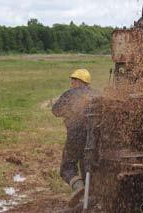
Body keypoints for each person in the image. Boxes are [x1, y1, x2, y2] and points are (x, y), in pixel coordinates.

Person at [52, 69, 94, 208]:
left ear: (79, 81)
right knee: (87, 166)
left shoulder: (70, 94)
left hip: (76, 135)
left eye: (73, 80)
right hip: (95, 137)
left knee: (67, 167)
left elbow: (56, 111)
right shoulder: (96, 94)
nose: (72, 83)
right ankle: (91, 195)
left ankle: (78, 188)